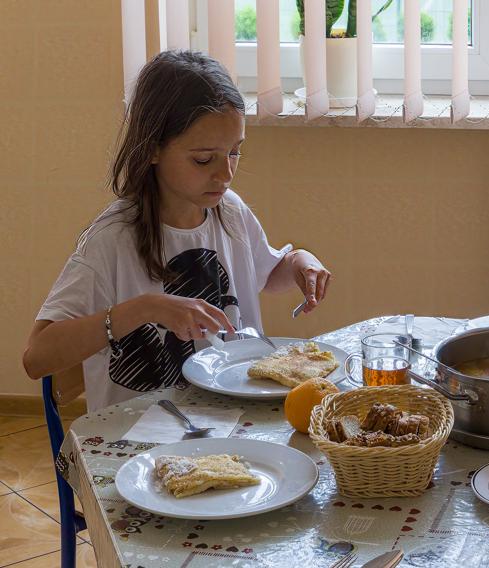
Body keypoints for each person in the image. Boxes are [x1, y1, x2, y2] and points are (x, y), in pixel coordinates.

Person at [22, 50, 331, 411]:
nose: (225, 174)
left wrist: (297, 262)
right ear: (153, 149)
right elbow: (36, 357)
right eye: (203, 159)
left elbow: (264, 275)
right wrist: (143, 309)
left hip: (229, 417)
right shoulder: (113, 239)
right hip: (145, 437)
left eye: (234, 152)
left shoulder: (229, 211)